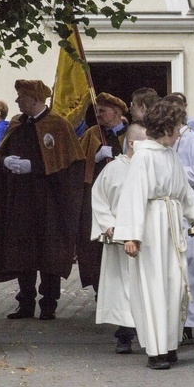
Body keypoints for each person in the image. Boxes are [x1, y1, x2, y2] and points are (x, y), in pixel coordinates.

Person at [114, 100, 194, 370]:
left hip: (171, 223)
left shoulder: (169, 154)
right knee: (154, 286)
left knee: (174, 285)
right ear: (166, 128)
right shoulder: (144, 156)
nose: (180, 132)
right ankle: (156, 349)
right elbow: (132, 196)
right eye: (177, 127)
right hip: (152, 227)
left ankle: (170, 343)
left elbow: (183, 191)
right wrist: (131, 235)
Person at [0, 80, 85, 320]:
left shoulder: (59, 126)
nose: (16, 101)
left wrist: (34, 167)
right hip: (20, 201)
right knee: (22, 252)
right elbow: (1, 153)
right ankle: (25, 302)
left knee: (49, 253)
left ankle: (49, 303)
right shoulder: (16, 123)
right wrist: (4, 163)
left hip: (49, 203)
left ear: (35, 99)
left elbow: (71, 167)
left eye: (21, 97)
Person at [92, 122, 148, 354]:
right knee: (123, 287)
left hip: (145, 239)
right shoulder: (113, 169)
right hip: (118, 240)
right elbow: (99, 197)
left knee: (144, 287)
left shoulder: (148, 168)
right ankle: (124, 334)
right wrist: (108, 225)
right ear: (133, 143)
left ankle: (149, 334)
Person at [162, 95, 194, 343]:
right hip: (175, 213)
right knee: (179, 266)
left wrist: (179, 172)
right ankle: (183, 320)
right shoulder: (166, 141)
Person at [78, 92, 129, 293]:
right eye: (96, 110)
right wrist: (95, 157)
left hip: (122, 199)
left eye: (102, 111)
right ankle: (100, 289)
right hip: (97, 198)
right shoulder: (92, 134)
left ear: (116, 112)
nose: (97, 115)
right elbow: (78, 162)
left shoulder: (130, 133)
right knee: (95, 247)